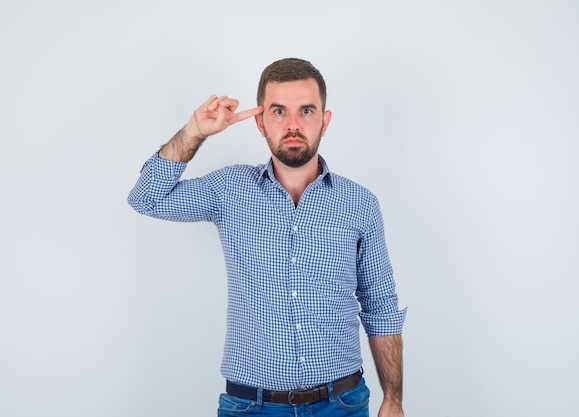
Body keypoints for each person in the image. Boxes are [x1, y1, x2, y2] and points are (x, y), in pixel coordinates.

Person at [128, 58, 406, 417]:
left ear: (325, 119)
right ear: (260, 122)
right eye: (278, 111)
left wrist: (393, 400)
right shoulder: (229, 189)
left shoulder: (360, 204)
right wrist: (194, 132)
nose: (293, 125)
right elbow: (145, 198)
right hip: (251, 406)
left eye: (306, 110)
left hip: (342, 404)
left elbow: (381, 307)